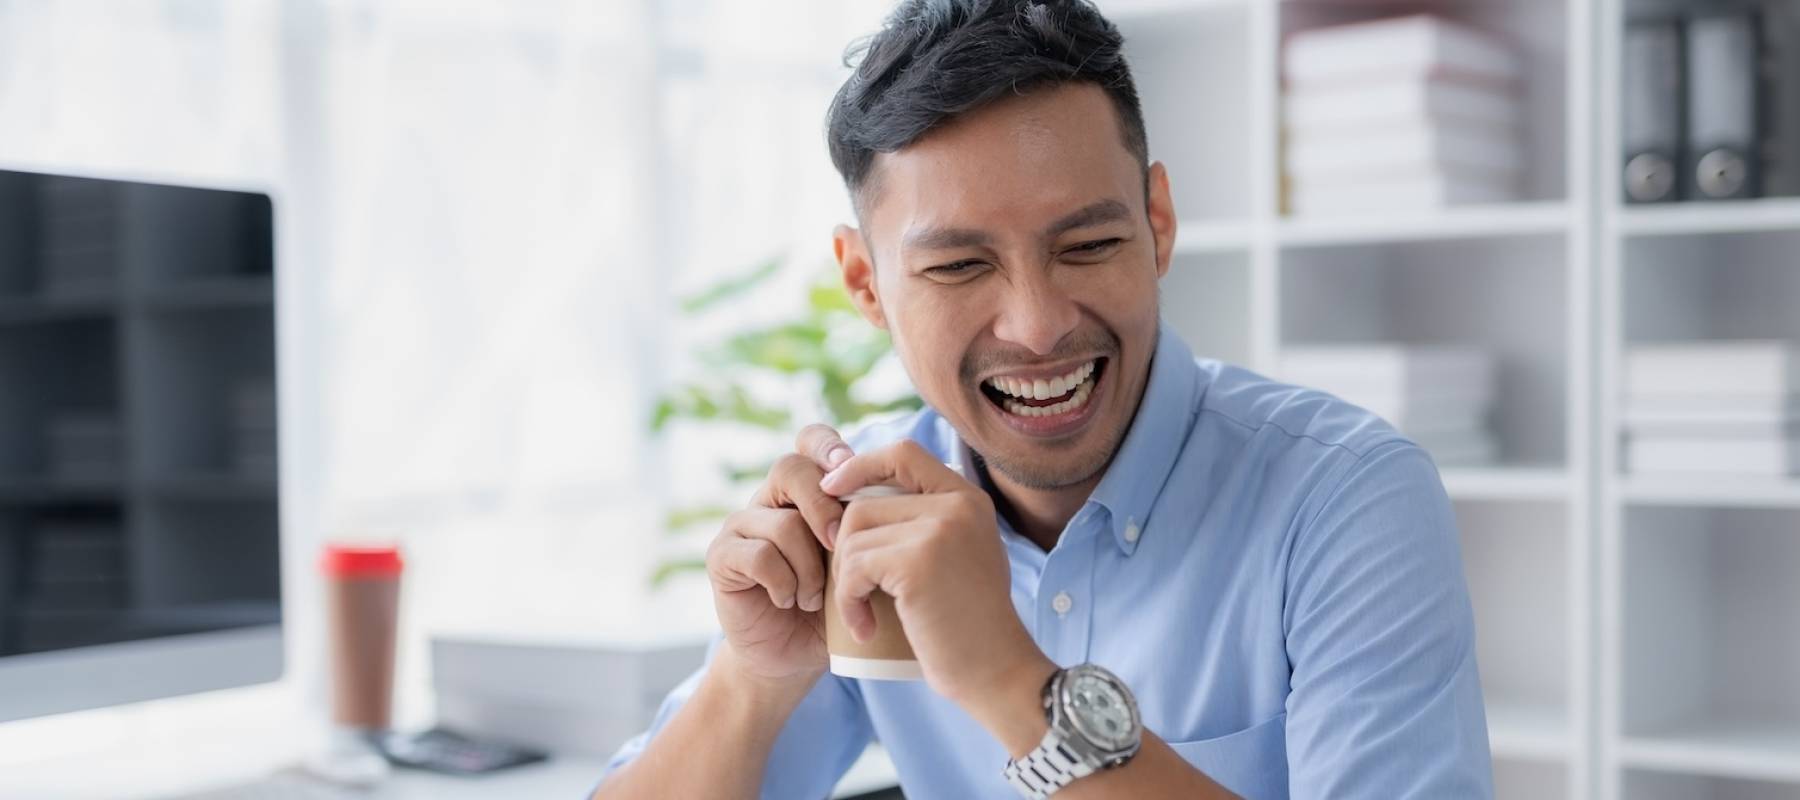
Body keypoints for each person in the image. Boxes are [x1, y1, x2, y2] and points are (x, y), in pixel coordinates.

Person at [592, 0, 1493, 797]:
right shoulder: (866, 516)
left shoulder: (1346, 500)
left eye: (1089, 246)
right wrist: (751, 682)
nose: (1036, 325)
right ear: (865, 284)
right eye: (958, 265)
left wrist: (1007, 680)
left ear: (1158, 225)